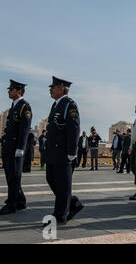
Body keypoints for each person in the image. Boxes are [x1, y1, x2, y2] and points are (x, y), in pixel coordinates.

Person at [43, 76, 83, 226]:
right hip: (52, 152)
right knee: (52, 181)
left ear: (61, 88)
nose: (50, 89)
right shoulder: (56, 105)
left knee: (63, 185)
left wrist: (72, 152)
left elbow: (74, 129)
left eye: (52, 87)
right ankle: (73, 203)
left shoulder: (69, 104)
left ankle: (60, 215)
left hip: (63, 152)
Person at [0, 80, 32, 215]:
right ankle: (20, 201)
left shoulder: (24, 107)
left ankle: (11, 205)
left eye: (11, 89)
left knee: (14, 177)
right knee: (11, 175)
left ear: (18, 91)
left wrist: (21, 148)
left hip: (16, 147)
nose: (9, 91)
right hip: (9, 146)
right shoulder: (14, 106)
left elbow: (25, 129)